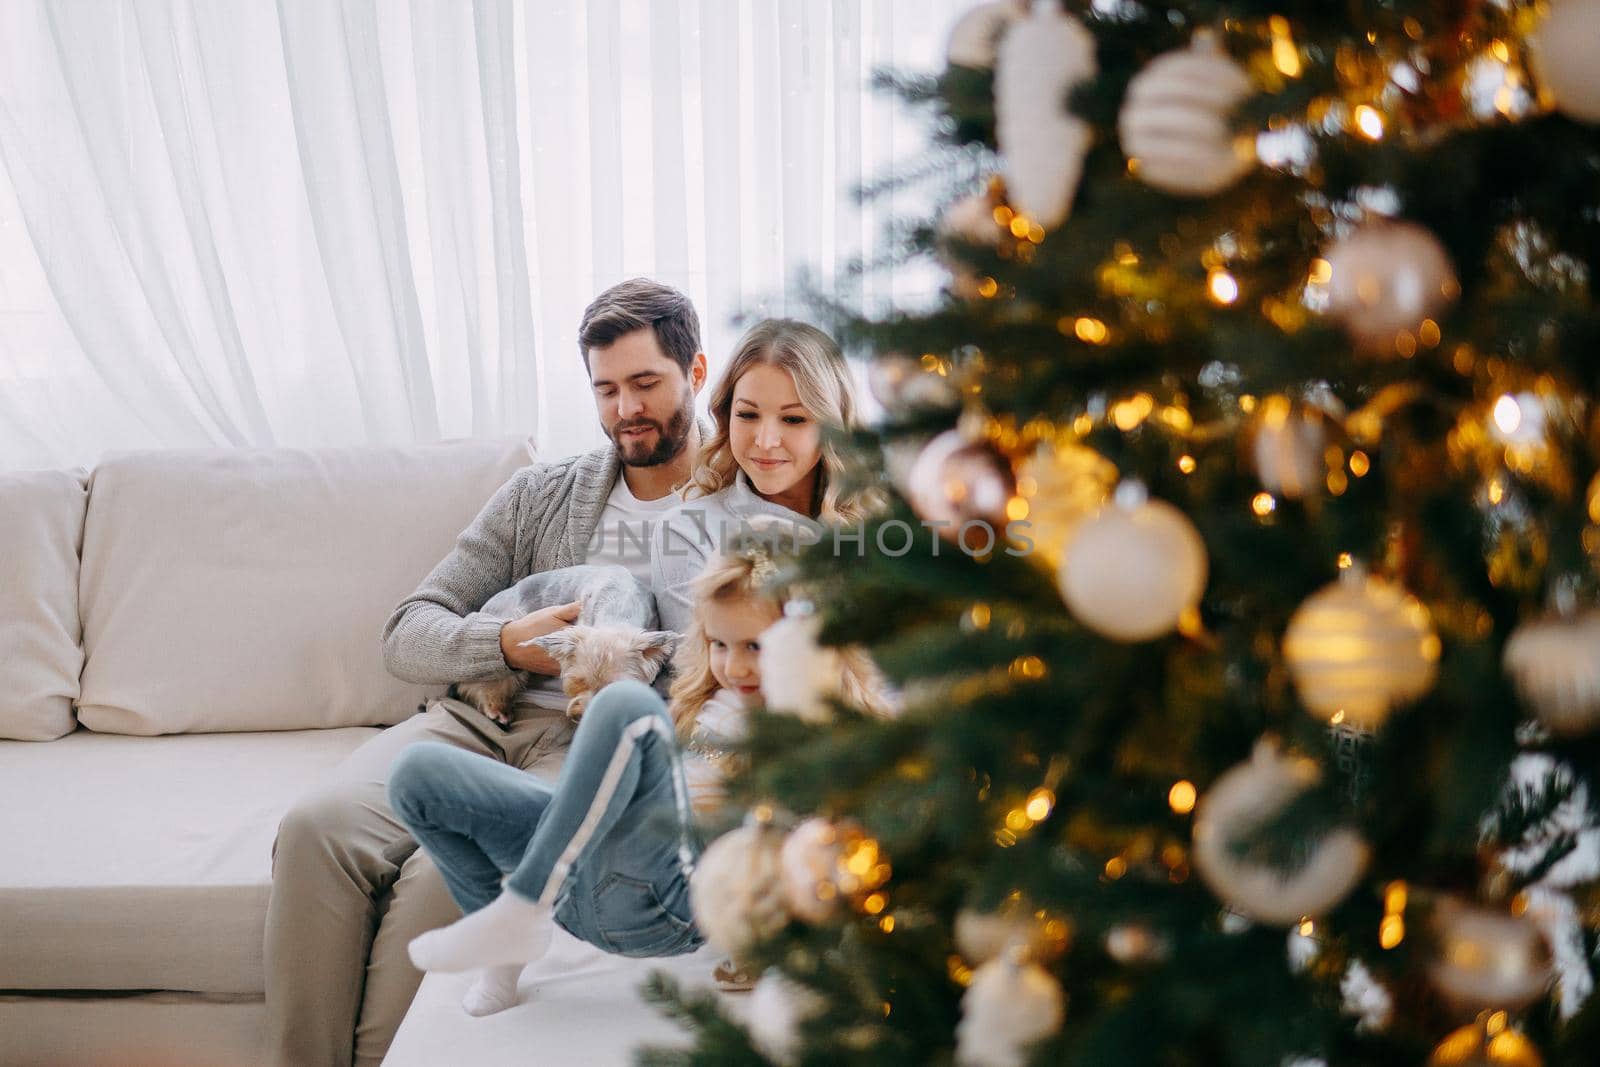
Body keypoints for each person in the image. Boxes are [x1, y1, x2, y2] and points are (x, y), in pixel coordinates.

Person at [263, 278, 710, 1067]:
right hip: (471, 717)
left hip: (579, 744)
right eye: (605, 390)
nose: (624, 410)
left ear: (696, 373)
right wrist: (505, 644)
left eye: (645, 383)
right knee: (313, 830)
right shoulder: (540, 496)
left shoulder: (738, 511)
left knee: (442, 875)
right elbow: (407, 632)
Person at [387, 532, 892, 1013]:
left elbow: (834, 861)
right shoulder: (703, 703)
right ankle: (504, 949)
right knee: (417, 771)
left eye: (755, 647)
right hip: (578, 879)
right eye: (720, 644)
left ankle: (519, 908)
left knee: (626, 700)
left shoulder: (820, 729)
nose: (733, 667)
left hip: (668, 900)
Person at [651, 318, 878, 635]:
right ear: (726, 413)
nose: (765, 441)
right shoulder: (687, 530)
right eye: (747, 415)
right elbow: (697, 673)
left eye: (794, 419)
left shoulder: (885, 524)